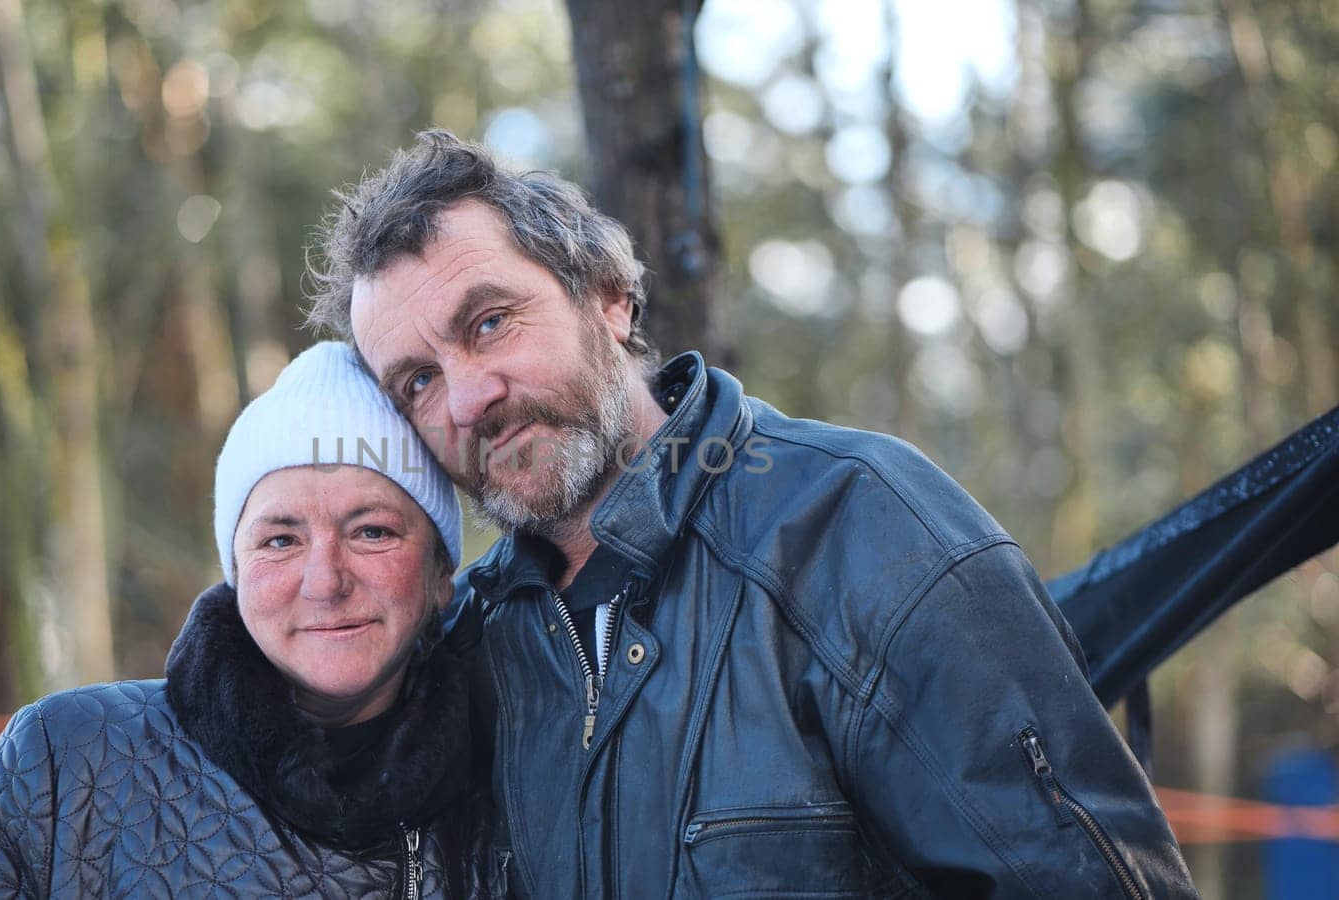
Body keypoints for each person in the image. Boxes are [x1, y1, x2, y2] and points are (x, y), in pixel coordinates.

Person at [306, 130, 1198, 898]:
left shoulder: (861, 530)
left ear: (608, 298)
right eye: (416, 381)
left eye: (492, 322)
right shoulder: (475, 643)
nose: (468, 399)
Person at [0, 342, 509, 899]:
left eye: (372, 532)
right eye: (281, 540)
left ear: (440, 573)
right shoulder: (69, 760)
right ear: (236, 571)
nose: (325, 581)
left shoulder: (516, 771)